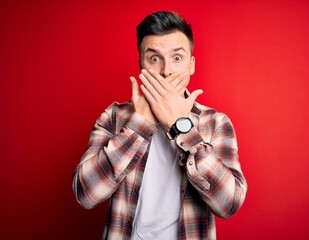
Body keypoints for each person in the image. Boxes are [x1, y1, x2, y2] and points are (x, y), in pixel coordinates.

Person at [72, 11, 247, 240]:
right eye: (154, 58)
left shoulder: (215, 123)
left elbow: (229, 204)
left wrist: (180, 126)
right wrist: (140, 124)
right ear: (141, 65)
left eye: (177, 58)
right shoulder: (114, 116)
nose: (166, 71)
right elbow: (85, 194)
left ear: (191, 65)